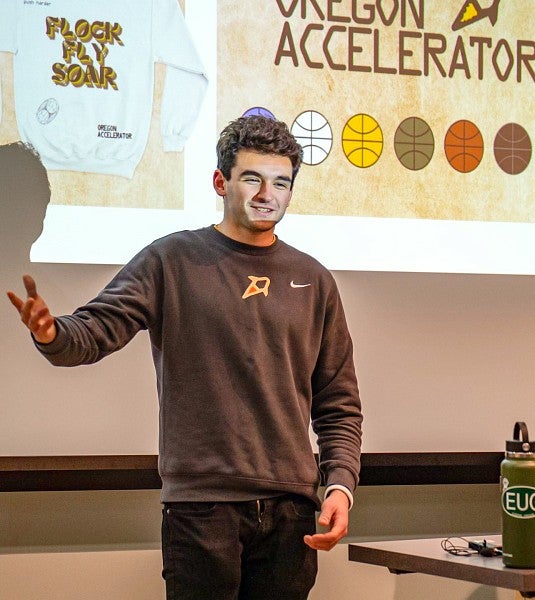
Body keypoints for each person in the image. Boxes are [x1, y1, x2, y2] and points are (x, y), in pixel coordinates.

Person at [7, 115, 363, 600]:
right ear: (221, 182)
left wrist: (340, 485)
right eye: (252, 178)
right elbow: (95, 331)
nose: (267, 194)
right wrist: (53, 333)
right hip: (202, 511)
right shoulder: (171, 260)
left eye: (281, 183)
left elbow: (338, 403)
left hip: (290, 513)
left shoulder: (315, 280)